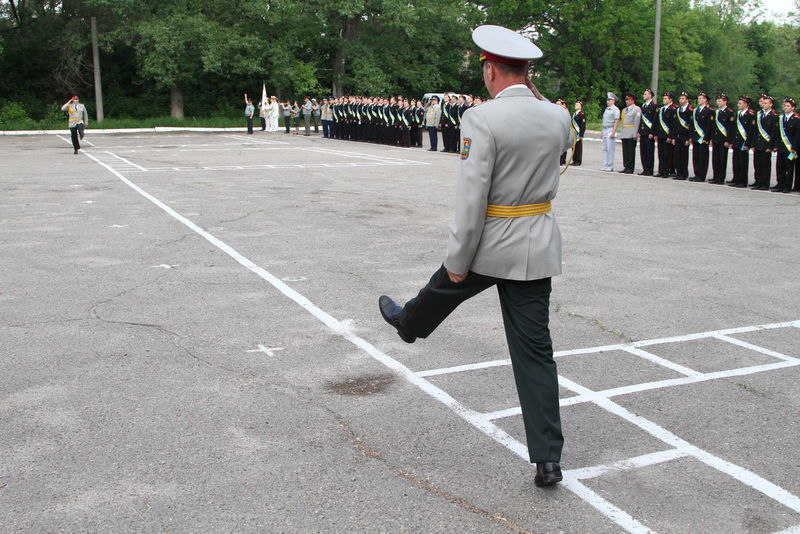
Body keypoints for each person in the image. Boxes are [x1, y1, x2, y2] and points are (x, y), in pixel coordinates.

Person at [378, 24, 570, 488]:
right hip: (537, 238)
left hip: (493, 238)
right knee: (535, 354)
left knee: (447, 281)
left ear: (489, 69)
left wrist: (458, 260)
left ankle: (409, 324)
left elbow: (471, 201)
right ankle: (548, 460)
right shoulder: (558, 116)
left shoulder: (481, 120)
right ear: (525, 70)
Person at [727, 95, 755, 188]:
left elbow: (751, 131)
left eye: (740, 103)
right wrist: (731, 141)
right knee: (736, 162)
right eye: (738, 103)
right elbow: (734, 128)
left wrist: (748, 143)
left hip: (744, 142)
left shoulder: (750, 115)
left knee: (743, 163)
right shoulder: (738, 113)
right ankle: (736, 179)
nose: (738, 105)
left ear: (746, 104)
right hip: (736, 141)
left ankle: (743, 181)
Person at [751, 94, 778, 191]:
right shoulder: (759, 115)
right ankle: (758, 182)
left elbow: (774, 133)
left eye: (766, 103)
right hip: (758, 143)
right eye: (763, 103)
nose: (763, 105)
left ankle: (765, 183)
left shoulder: (774, 116)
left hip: (766, 145)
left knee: (765, 165)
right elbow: (755, 131)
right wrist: (753, 144)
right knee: (757, 164)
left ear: (771, 104)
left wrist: (771, 146)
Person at [773, 97, 800, 193]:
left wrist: (794, 148)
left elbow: (797, 135)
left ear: (793, 108)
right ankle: (780, 185)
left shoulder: (797, 119)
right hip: (781, 147)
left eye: (788, 106)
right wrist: (775, 145)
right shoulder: (781, 118)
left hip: (790, 148)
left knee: (789, 168)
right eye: (785, 106)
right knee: (780, 167)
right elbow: (777, 133)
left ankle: (787, 187)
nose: (785, 108)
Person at [710, 94, 735, 184]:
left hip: (723, 140)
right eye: (717, 101)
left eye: (720, 101)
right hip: (716, 139)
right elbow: (713, 126)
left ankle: (721, 178)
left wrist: (728, 140)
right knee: (715, 159)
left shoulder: (729, 112)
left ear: (725, 101)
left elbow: (731, 128)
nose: (718, 102)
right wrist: (712, 138)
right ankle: (715, 177)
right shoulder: (716, 112)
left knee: (722, 160)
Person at [689, 92, 713, 182]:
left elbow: (709, 126)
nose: (699, 100)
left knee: (703, 157)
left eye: (701, 98)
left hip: (703, 138)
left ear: (705, 100)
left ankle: (701, 175)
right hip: (696, 137)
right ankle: (696, 174)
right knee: (695, 157)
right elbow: (692, 124)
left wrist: (706, 138)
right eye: (698, 98)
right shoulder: (696, 110)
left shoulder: (709, 111)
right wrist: (691, 136)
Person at [654, 91, 677, 178]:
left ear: (670, 99)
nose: (663, 100)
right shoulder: (661, 109)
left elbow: (673, 125)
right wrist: (656, 134)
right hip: (660, 135)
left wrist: (670, 136)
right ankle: (661, 170)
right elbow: (657, 123)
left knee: (667, 154)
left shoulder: (672, 110)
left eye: (665, 98)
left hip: (667, 136)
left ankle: (666, 171)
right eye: (663, 98)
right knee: (661, 154)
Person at [618, 93, 641, 174]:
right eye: (626, 99)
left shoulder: (636, 109)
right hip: (624, 132)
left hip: (631, 133)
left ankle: (630, 168)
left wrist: (635, 133)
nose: (627, 101)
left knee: (631, 151)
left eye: (628, 99)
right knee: (625, 151)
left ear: (632, 100)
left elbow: (637, 122)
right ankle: (626, 166)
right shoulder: (624, 110)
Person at [673, 91, 693, 180]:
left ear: (687, 100)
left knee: (684, 156)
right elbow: (675, 124)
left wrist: (688, 138)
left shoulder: (690, 110)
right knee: (677, 155)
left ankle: (684, 173)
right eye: (680, 98)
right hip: (677, 136)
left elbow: (691, 125)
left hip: (685, 136)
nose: (681, 100)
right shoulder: (678, 110)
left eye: (683, 98)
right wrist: (673, 136)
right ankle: (679, 173)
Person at [638, 89, 657, 176]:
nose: (643, 95)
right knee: (643, 152)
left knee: (649, 152)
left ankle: (649, 170)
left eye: (645, 94)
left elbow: (654, 120)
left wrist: (652, 132)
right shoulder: (644, 105)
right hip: (643, 132)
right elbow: (641, 120)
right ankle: (645, 169)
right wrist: (639, 131)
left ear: (650, 95)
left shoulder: (654, 106)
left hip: (649, 132)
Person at [601, 92, 620, 171]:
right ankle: (605, 165)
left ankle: (610, 165)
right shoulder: (606, 109)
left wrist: (613, 132)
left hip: (610, 129)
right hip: (605, 128)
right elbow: (604, 121)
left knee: (610, 148)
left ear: (613, 101)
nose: (607, 101)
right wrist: (602, 131)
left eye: (609, 100)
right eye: (607, 100)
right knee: (605, 148)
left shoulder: (615, 110)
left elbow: (616, 121)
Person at [571, 100, 586, 165]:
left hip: (578, 133)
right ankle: (574, 160)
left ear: (581, 107)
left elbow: (583, 126)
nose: (576, 106)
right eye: (575, 104)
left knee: (578, 147)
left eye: (577, 105)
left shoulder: (581, 114)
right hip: (573, 133)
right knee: (573, 147)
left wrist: (581, 135)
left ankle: (578, 161)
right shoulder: (575, 114)